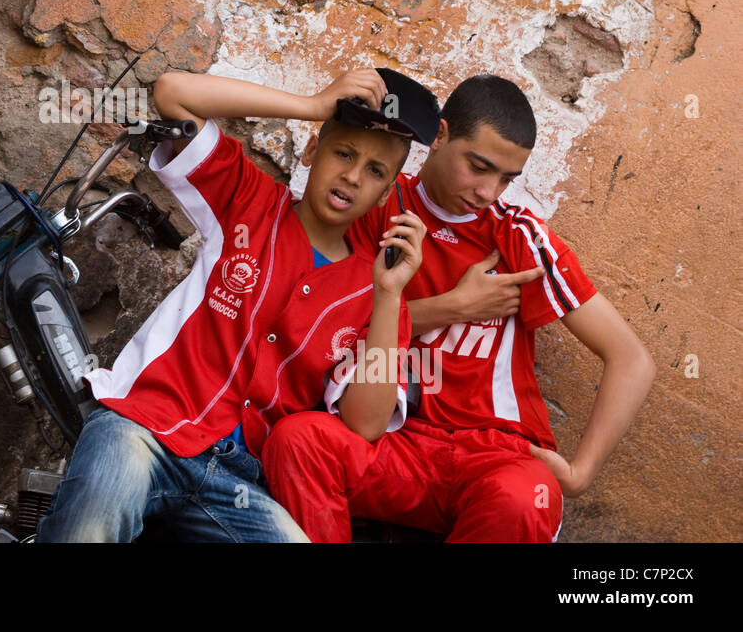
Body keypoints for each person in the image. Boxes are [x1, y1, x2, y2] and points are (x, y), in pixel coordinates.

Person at [36, 66, 439, 542]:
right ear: (312, 149)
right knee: (91, 526)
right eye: (343, 152)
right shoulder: (247, 201)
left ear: (385, 193)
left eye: (375, 172)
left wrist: (390, 293)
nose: (351, 177)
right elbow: (173, 93)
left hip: (239, 484)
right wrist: (312, 103)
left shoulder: (374, 290)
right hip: (147, 430)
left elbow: (366, 424)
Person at [262, 74, 656, 542]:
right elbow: (347, 326)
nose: (490, 191)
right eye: (479, 166)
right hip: (395, 443)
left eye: (507, 178)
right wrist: (452, 307)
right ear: (441, 136)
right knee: (297, 440)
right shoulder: (378, 204)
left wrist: (580, 473)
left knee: (527, 497)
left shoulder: (517, 236)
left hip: (495, 455)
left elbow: (632, 360)